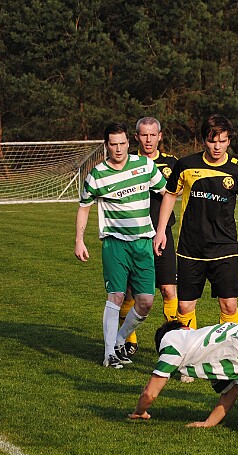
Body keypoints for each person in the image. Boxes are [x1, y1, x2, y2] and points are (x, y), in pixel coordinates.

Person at [74, 122, 167, 369]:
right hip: (115, 243)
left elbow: (168, 193)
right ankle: (109, 354)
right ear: (106, 145)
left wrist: (161, 230)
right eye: (113, 144)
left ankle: (118, 340)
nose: (118, 149)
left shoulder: (145, 166)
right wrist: (79, 240)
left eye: (122, 143)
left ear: (128, 142)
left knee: (146, 301)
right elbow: (84, 207)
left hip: (143, 243)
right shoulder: (97, 175)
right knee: (116, 296)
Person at [154, 114, 238, 329]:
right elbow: (170, 195)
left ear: (229, 141)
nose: (217, 147)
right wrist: (161, 230)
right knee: (184, 307)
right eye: (212, 141)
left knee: (229, 305)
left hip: (224, 246)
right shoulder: (185, 165)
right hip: (190, 247)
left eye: (222, 141)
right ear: (203, 140)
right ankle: (187, 347)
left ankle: (226, 347)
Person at [119, 117, 179, 356]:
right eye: (144, 135)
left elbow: (179, 191)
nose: (148, 139)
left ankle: (173, 342)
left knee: (168, 290)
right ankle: (128, 340)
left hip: (163, 234)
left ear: (160, 136)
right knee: (130, 292)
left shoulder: (172, 163)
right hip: (134, 236)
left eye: (153, 135)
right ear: (136, 137)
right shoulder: (127, 162)